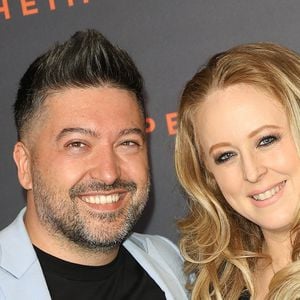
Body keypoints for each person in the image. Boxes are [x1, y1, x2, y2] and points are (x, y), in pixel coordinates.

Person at [0, 29, 187, 300]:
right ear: (25, 165)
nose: (109, 173)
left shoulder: (175, 264)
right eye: (77, 144)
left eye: (127, 143)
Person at [175, 42, 300, 299]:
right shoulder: (220, 285)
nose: (252, 172)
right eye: (226, 156)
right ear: (209, 176)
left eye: (266, 140)